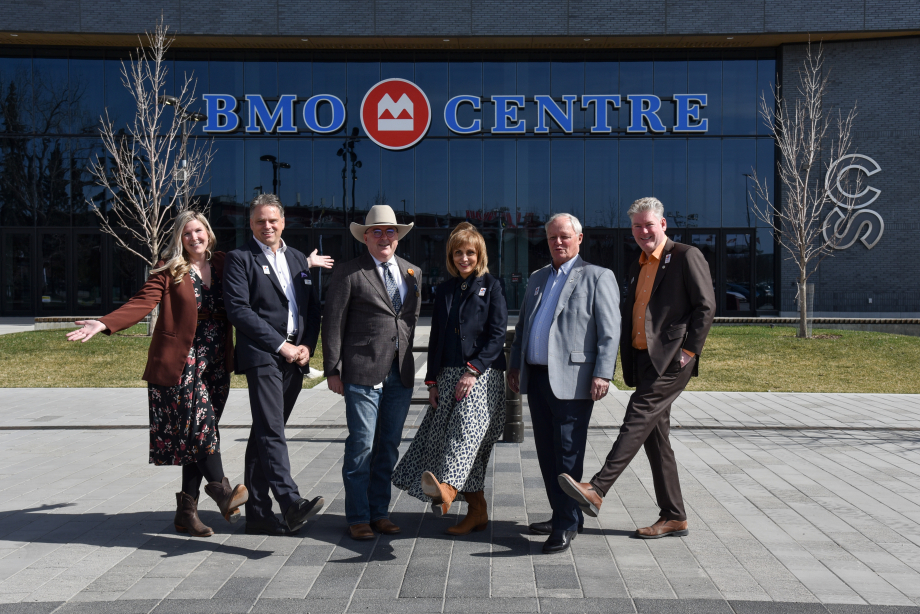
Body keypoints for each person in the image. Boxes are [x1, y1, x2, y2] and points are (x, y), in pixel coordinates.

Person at [67, 211, 247, 538]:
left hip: (217, 363)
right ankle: (222, 491)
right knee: (203, 430)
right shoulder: (169, 271)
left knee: (198, 437)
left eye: (199, 231)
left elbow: (263, 269)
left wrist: (300, 262)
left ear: (208, 232)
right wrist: (104, 322)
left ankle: (186, 513)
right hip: (182, 364)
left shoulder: (223, 263)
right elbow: (141, 303)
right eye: (187, 233)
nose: (194, 237)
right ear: (180, 238)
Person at [558, 197, 715, 539]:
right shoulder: (637, 264)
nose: (643, 231)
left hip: (673, 358)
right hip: (645, 359)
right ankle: (674, 515)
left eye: (649, 224)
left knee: (636, 415)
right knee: (656, 440)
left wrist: (690, 351)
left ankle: (597, 488)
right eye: (637, 226)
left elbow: (706, 306)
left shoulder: (687, 256)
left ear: (663, 224)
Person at [508, 212, 621, 554]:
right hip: (539, 377)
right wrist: (515, 366)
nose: (558, 242)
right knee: (546, 452)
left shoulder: (598, 277)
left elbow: (609, 331)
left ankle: (565, 524)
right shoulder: (538, 277)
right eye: (553, 237)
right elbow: (524, 327)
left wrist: (603, 373)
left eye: (565, 236)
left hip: (573, 381)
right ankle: (565, 512)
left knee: (567, 452)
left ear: (579, 238)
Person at [392, 222, 508, 536]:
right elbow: (437, 340)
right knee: (449, 439)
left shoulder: (492, 286)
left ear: (479, 253)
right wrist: (431, 381)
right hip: (446, 375)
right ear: (451, 255)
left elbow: (497, 336)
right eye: (458, 252)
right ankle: (477, 510)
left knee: (468, 433)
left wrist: (472, 371)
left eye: (470, 252)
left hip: (481, 374)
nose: (464, 258)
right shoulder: (444, 289)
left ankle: (447, 490)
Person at [224, 194, 329, 536]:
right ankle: (290, 502)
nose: (267, 226)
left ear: (283, 222)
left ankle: (256, 513)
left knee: (263, 433)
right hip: (262, 355)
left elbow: (312, 309)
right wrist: (282, 346)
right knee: (272, 430)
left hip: (295, 359)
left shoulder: (298, 258)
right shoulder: (240, 259)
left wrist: (306, 347)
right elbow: (239, 310)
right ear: (250, 224)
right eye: (259, 221)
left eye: (273, 220)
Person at [322, 204, 422, 541]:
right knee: (362, 446)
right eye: (376, 231)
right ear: (365, 237)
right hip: (362, 372)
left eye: (389, 231)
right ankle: (358, 517)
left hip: (400, 373)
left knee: (388, 447)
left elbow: (409, 321)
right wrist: (332, 369)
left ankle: (380, 512)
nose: (383, 236)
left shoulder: (412, 273)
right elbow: (333, 323)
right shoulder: (350, 273)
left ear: (398, 237)